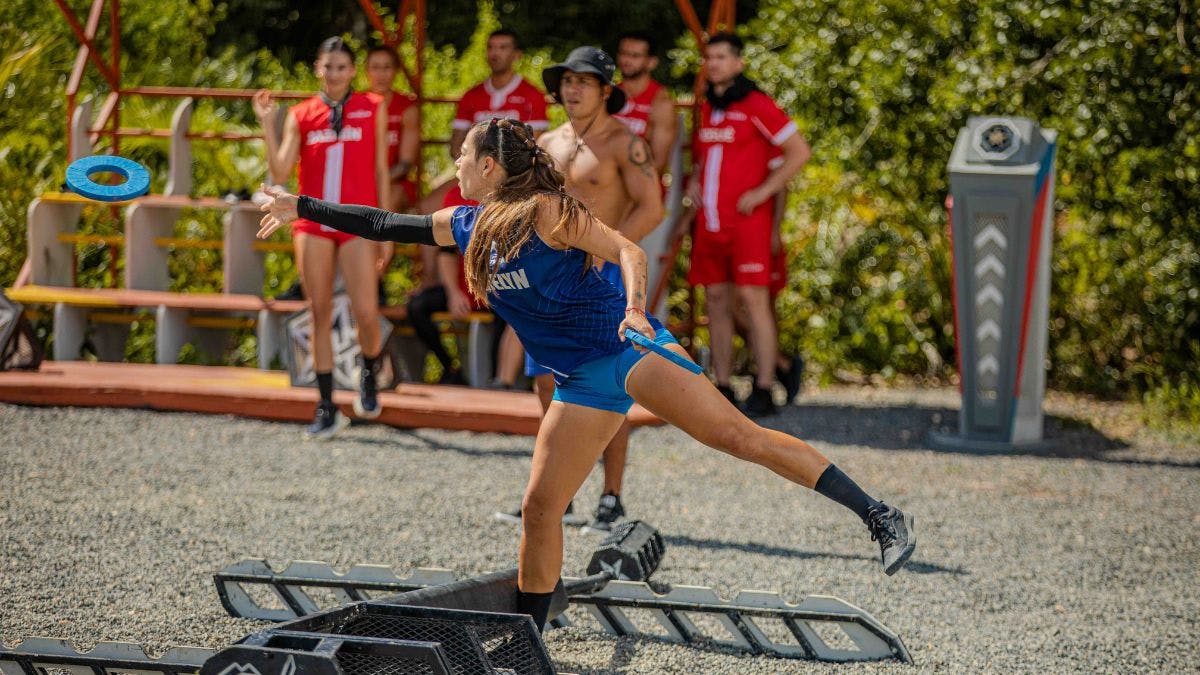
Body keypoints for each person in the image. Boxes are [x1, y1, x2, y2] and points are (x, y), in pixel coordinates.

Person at [255, 118, 917, 633]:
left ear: (489, 166)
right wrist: (302, 206)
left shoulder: (548, 210)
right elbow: (381, 223)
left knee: (742, 439)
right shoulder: (468, 224)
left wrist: (634, 307)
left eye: (462, 154)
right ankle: (528, 637)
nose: (454, 162)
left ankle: (881, 515)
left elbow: (628, 248)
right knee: (541, 508)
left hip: (630, 348)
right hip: (579, 380)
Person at [501, 46, 663, 534]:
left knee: (613, 383)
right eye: (567, 80)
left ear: (605, 91)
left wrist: (609, 248)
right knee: (548, 382)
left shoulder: (624, 142)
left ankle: (611, 496)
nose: (572, 89)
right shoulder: (547, 141)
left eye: (584, 82)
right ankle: (558, 493)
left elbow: (651, 206)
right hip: (551, 278)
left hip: (603, 275)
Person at [253, 37, 389, 439]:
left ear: (353, 71)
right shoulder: (302, 113)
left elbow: (381, 170)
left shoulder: (373, 108)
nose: (334, 74)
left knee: (366, 311)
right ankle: (327, 403)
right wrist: (267, 122)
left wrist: (386, 229)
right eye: (328, 67)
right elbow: (278, 172)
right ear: (317, 68)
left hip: (360, 222)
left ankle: (368, 371)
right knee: (318, 312)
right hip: (312, 224)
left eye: (342, 67)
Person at [686, 32, 811, 418]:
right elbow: (705, 163)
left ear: (739, 63)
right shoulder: (708, 109)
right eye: (709, 57)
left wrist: (762, 193)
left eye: (722, 57)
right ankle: (722, 385)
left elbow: (799, 152)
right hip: (710, 223)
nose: (715, 64)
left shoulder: (757, 104)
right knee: (717, 303)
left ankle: (764, 385)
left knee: (755, 304)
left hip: (747, 225)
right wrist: (694, 182)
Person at [613, 32, 677, 175]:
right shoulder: (608, 95)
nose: (626, 60)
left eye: (635, 56)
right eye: (623, 53)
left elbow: (658, 165)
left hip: (641, 190)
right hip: (607, 188)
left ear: (652, 62)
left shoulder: (661, 104)